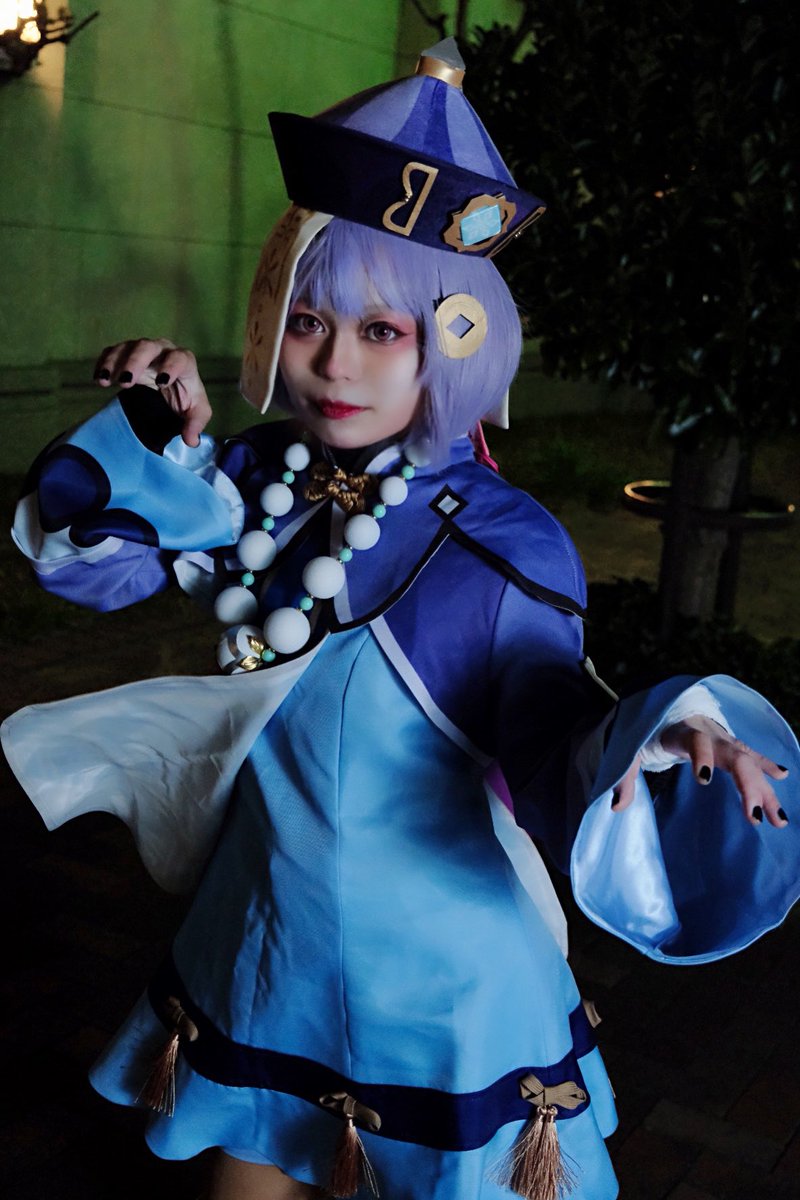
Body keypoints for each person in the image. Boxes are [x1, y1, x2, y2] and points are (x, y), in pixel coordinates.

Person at [3, 39, 798, 1200]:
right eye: (308, 320)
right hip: (262, 932)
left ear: (458, 337)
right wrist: (156, 439)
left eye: (382, 330)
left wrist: (660, 738)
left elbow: (547, 745)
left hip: (443, 977)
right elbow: (98, 571)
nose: (334, 365)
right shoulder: (255, 476)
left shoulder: (506, 539)